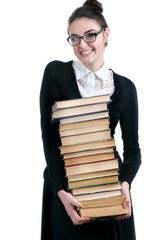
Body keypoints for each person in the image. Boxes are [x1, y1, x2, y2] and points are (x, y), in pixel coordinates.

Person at [40, 0, 141, 239]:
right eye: (74, 38)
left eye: (90, 35)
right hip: (65, 185)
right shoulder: (55, 73)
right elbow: (49, 137)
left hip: (109, 188)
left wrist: (124, 184)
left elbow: (133, 150)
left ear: (106, 34)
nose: (82, 44)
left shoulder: (126, 88)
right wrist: (61, 191)